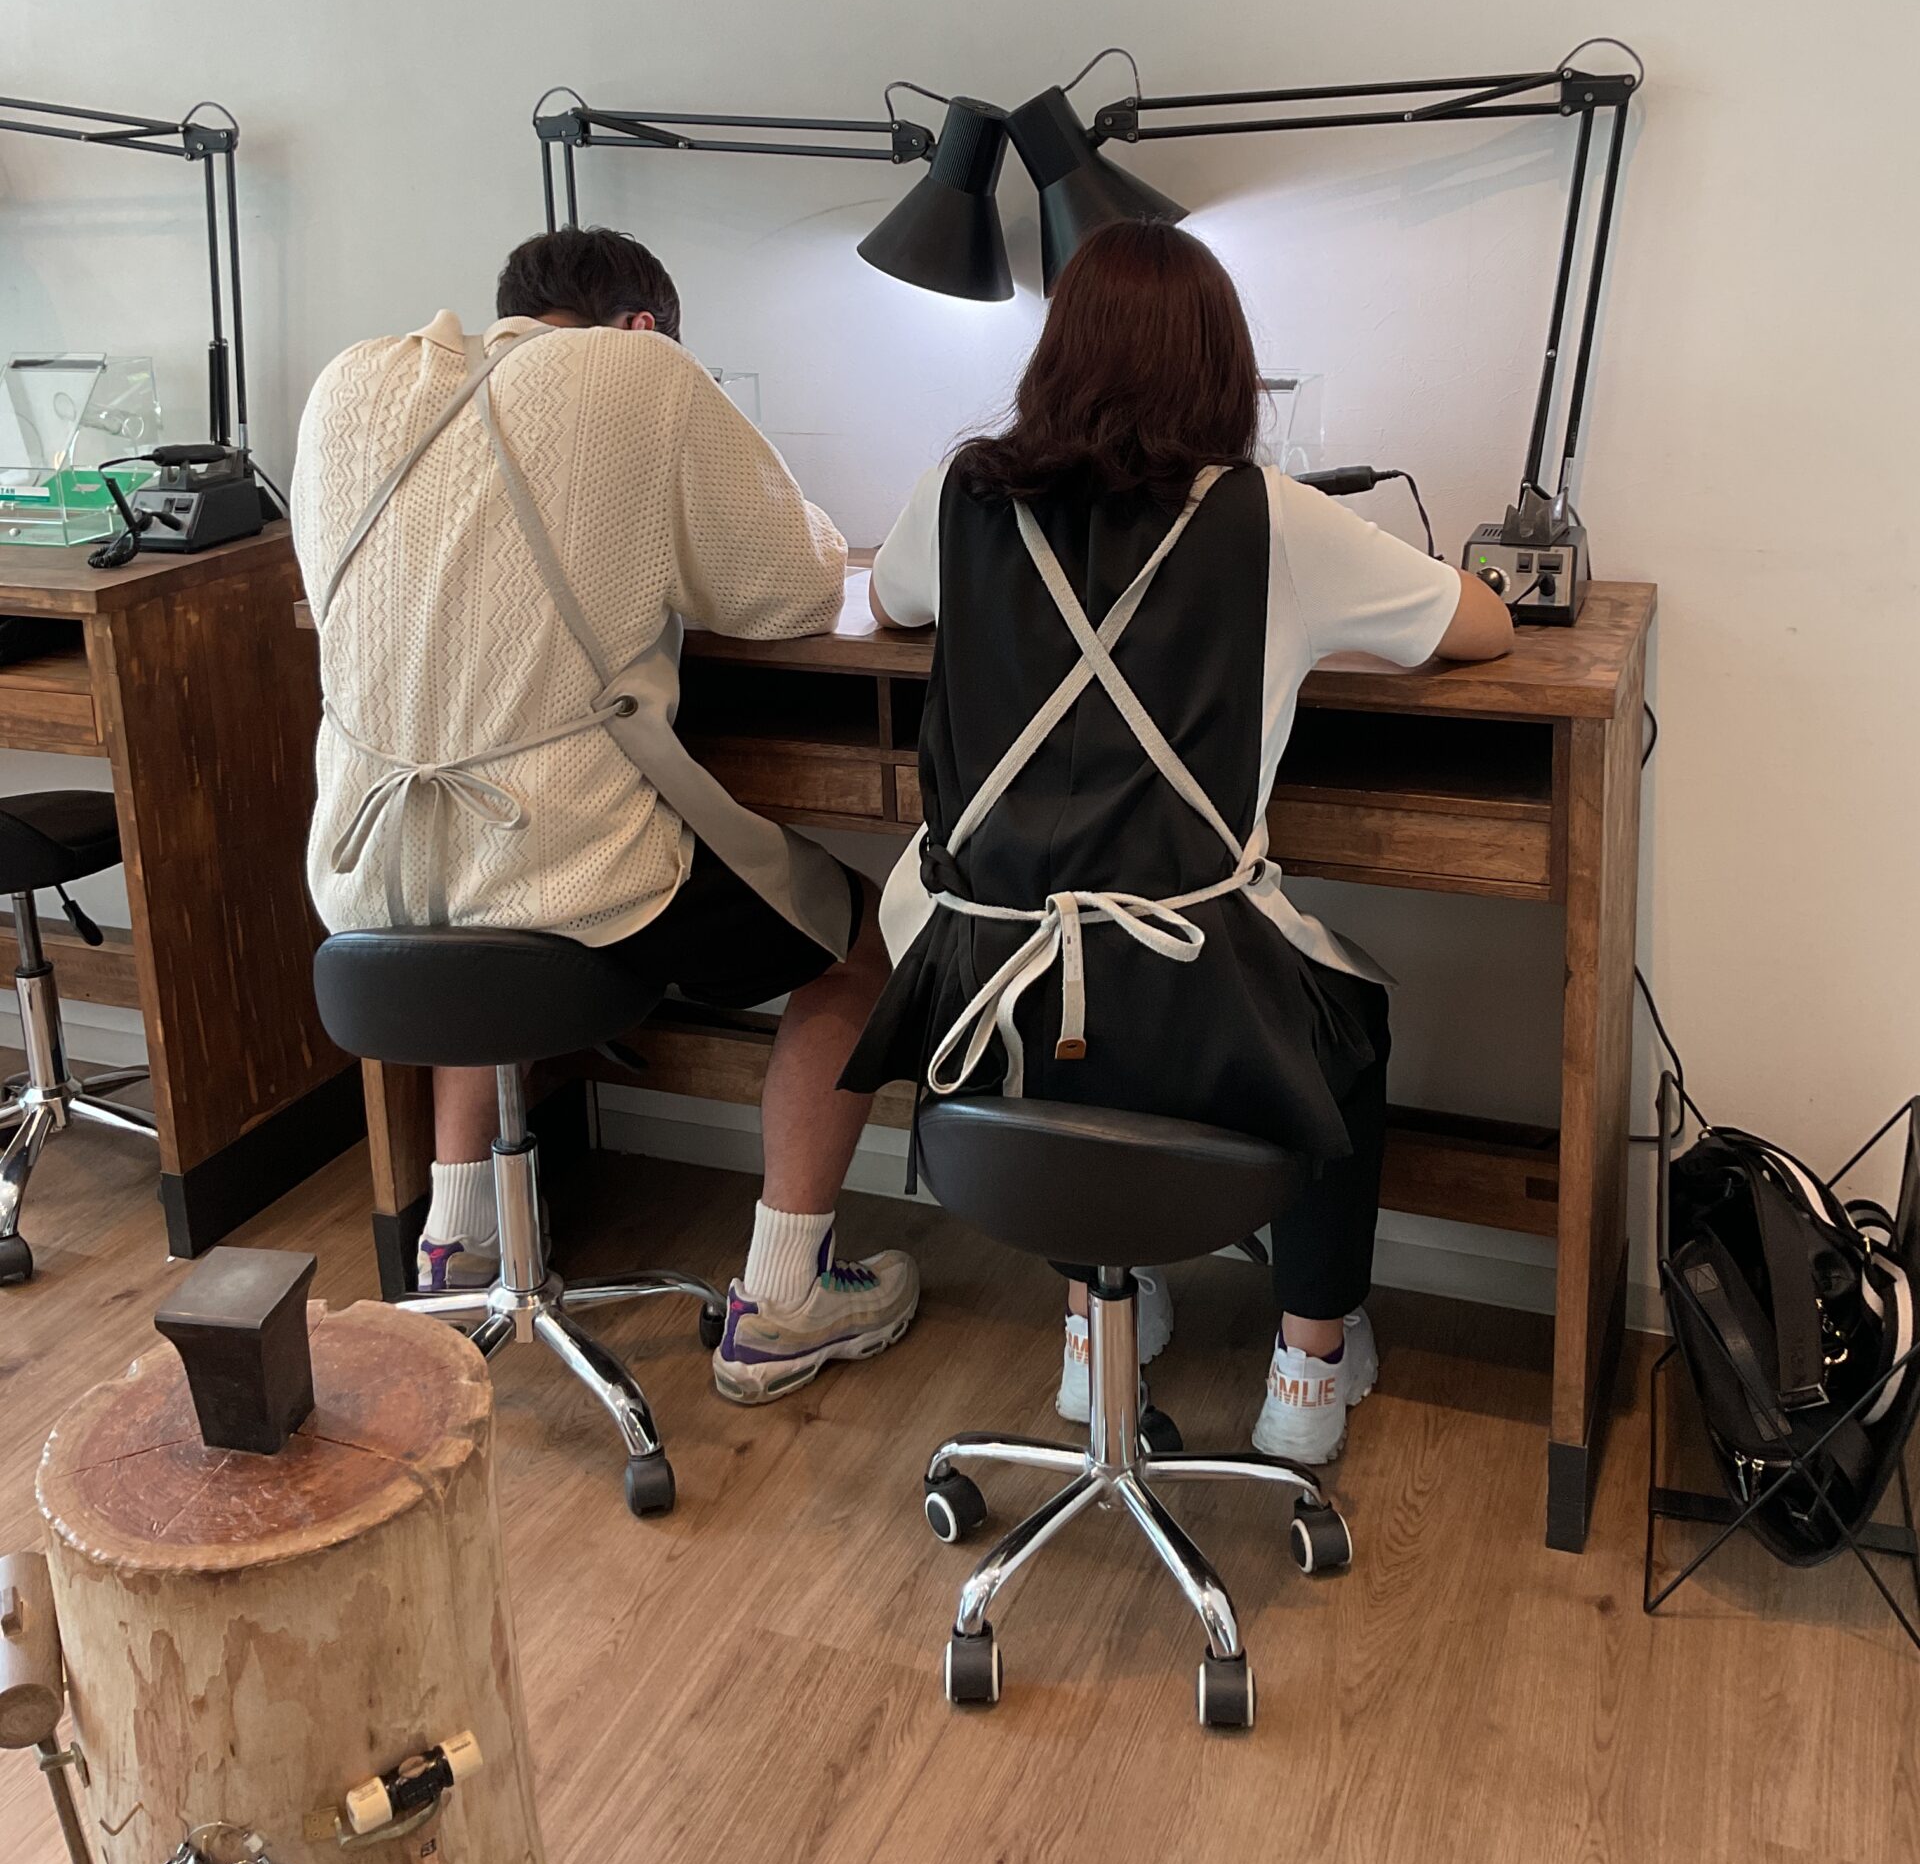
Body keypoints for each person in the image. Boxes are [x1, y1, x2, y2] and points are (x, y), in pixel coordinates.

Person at [853, 220, 1511, 1464]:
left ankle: (1092, 1328)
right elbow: (1479, 624)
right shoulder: (1274, 521)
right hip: (1190, 990)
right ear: (1224, 370)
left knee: (1061, 1014)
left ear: (1055, 357)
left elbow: (889, 601)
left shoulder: (959, 498)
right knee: (1345, 1025)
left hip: (982, 981)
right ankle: (1307, 1368)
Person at [292, 224, 918, 1403]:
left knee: (472, 901)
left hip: (369, 873)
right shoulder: (639, 374)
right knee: (861, 943)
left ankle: (456, 1241)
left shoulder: (354, 381)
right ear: (644, 327)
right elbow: (793, 586)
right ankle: (786, 1297)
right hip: (560, 862)